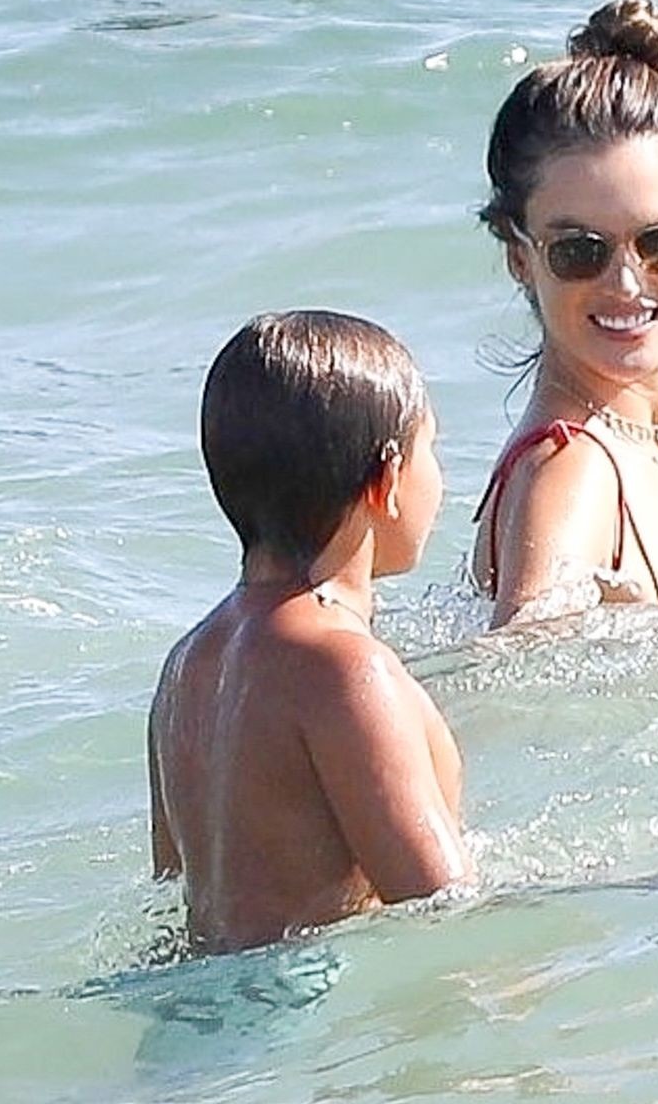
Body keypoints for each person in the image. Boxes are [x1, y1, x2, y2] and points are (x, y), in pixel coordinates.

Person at [150, 310, 471, 955]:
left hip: (189, 991)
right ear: (386, 481)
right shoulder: (346, 668)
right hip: (299, 996)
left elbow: (175, 892)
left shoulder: (188, 664)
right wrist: (632, 894)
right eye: (431, 448)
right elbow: (444, 906)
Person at [471, 0, 658, 628]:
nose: (627, 281)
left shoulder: (640, 445)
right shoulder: (573, 470)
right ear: (520, 258)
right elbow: (517, 664)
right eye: (580, 250)